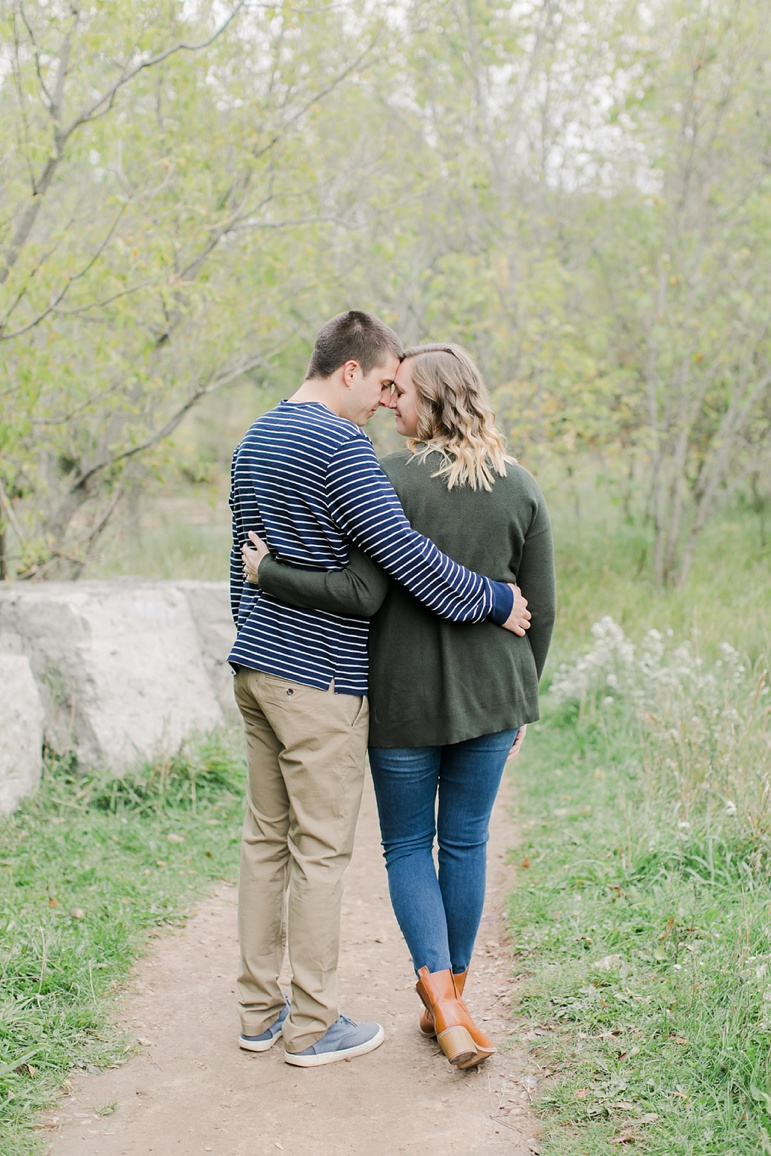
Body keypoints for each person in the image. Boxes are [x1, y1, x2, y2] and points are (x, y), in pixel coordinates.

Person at [229, 314, 530, 1069]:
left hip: (257, 666)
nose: (385, 403)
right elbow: (393, 570)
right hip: (318, 678)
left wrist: (254, 623)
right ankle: (313, 1028)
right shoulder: (341, 446)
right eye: (383, 385)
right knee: (322, 853)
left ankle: (259, 1013)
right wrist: (494, 600)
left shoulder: (254, 437)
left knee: (266, 844)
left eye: (402, 391)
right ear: (352, 371)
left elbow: (239, 557)